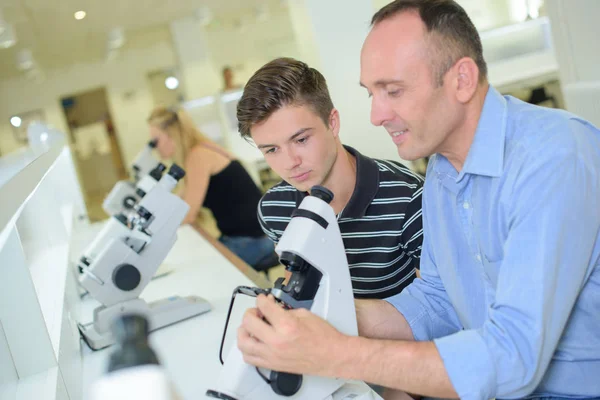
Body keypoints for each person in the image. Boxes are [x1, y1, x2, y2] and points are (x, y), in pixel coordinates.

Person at [235, 1, 600, 399]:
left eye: (393, 91)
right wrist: (314, 309)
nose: (376, 115)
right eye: (372, 93)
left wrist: (337, 353)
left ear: (462, 79)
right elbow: (436, 303)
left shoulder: (554, 156)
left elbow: (513, 357)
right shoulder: (442, 174)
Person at [236, 57, 424, 299]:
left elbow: (436, 313)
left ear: (332, 123)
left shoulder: (409, 198)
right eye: (272, 150)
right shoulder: (274, 209)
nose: (290, 162)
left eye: (301, 140)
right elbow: (301, 289)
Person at [147, 106, 278, 271]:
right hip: (255, 236)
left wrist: (155, 232)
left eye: (155, 140)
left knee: (193, 268)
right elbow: (181, 200)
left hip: (253, 242)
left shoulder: (198, 156)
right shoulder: (203, 149)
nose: (154, 147)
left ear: (171, 134)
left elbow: (188, 214)